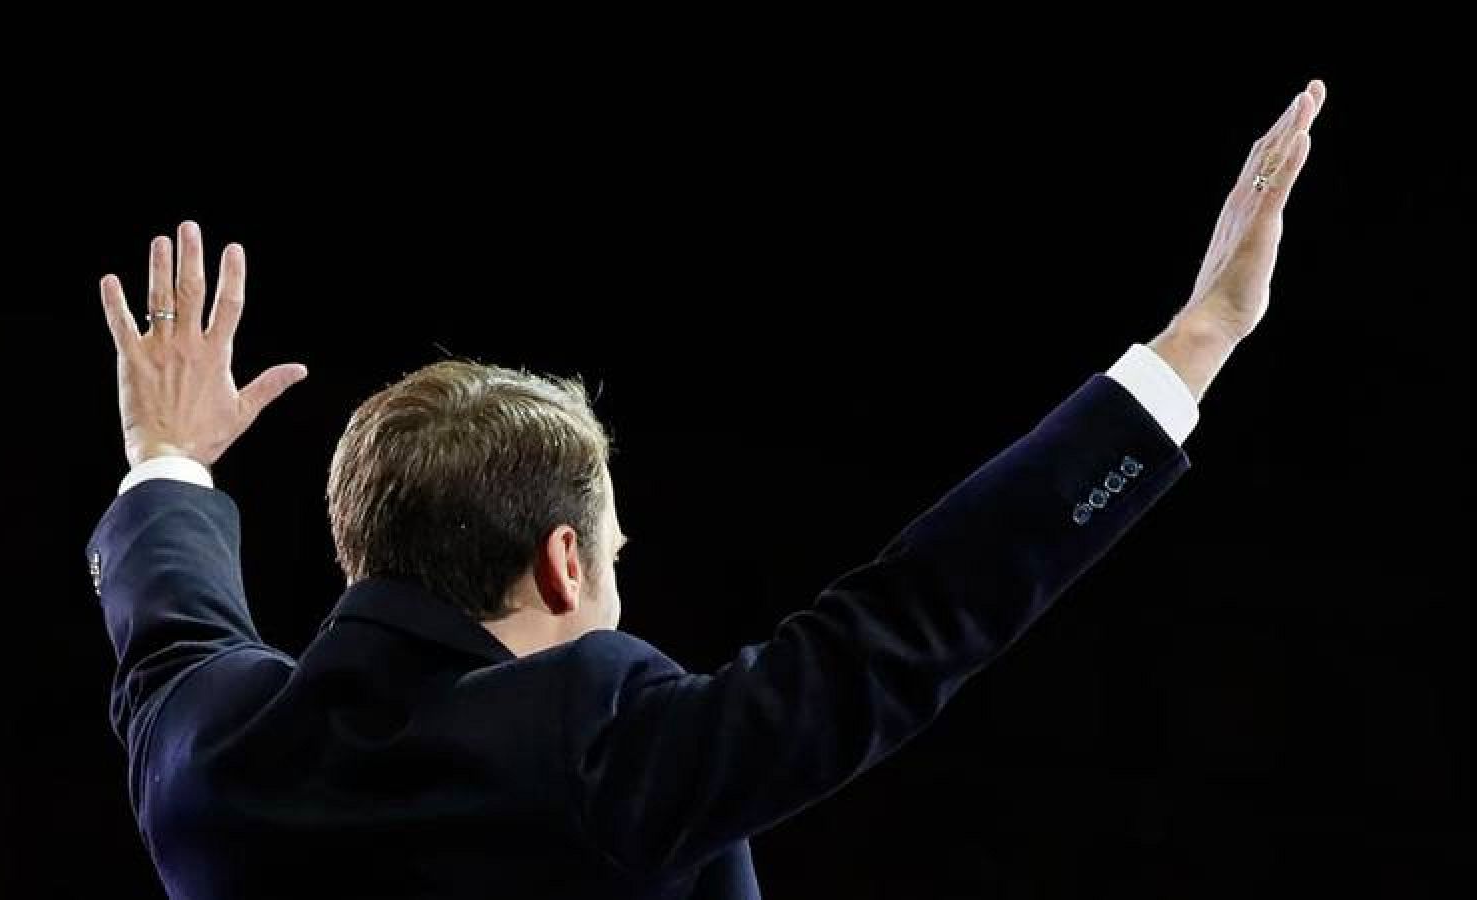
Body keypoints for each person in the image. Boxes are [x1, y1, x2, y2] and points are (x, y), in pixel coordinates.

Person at [87, 80, 1325, 899]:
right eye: (615, 554)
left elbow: (167, 617)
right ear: (564, 562)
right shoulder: (590, 745)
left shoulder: (212, 755)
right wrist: (1200, 337)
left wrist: (168, 452)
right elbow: (901, 627)